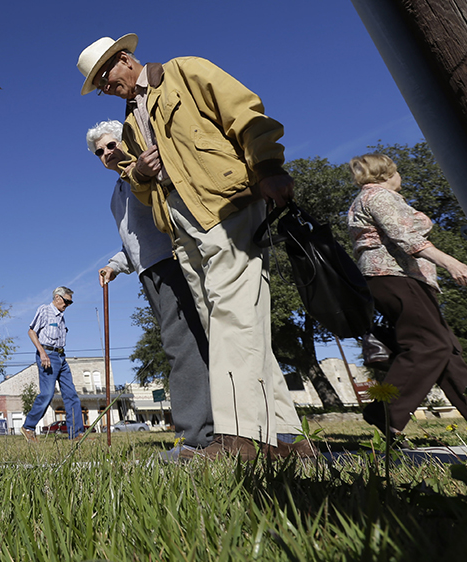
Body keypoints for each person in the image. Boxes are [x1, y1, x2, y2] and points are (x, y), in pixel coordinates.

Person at [78, 35, 312, 459]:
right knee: (226, 321)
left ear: (125, 59)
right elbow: (139, 185)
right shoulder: (131, 124)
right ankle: (286, 438)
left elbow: (244, 112)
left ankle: (239, 437)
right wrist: (143, 172)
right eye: (98, 86)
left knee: (231, 314)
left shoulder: (184, 71)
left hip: (224, 205)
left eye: (105, 78)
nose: (105, 89)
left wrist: (268, 167)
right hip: (180, 227)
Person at [87, 120, 214, 458]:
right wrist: (115, 265)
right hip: (149, 271)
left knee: (182, 344)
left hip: (174, 261)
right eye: (99, 152)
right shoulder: (118, 191)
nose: (106, 154)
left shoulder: (152, 166)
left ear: (126, 140)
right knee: (186, 342)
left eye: (111, 145)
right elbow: (135, 243)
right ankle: (209, 430)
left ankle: (197, 438)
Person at [347, 153, 467, 437]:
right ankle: (385, 412)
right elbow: (407, 238)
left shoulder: (375, 199)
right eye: (397, 171)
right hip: (395, 276)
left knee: (448, 353)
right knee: (428, 345)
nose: (400, 177)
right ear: (388, 174)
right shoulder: (379, 197)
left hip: (401, 280)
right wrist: (452, 263)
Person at [21, 287, 86, 441]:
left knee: (71, 395)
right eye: (67, 301)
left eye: (70, 302)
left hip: (61, 357)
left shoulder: (61, 317)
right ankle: (28, 427)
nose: (68, 305)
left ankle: (76, 434)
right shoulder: (44, 311)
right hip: (48, 356)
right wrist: (42, 353)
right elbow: (31, 331)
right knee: (47, 394)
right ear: (57, 297)